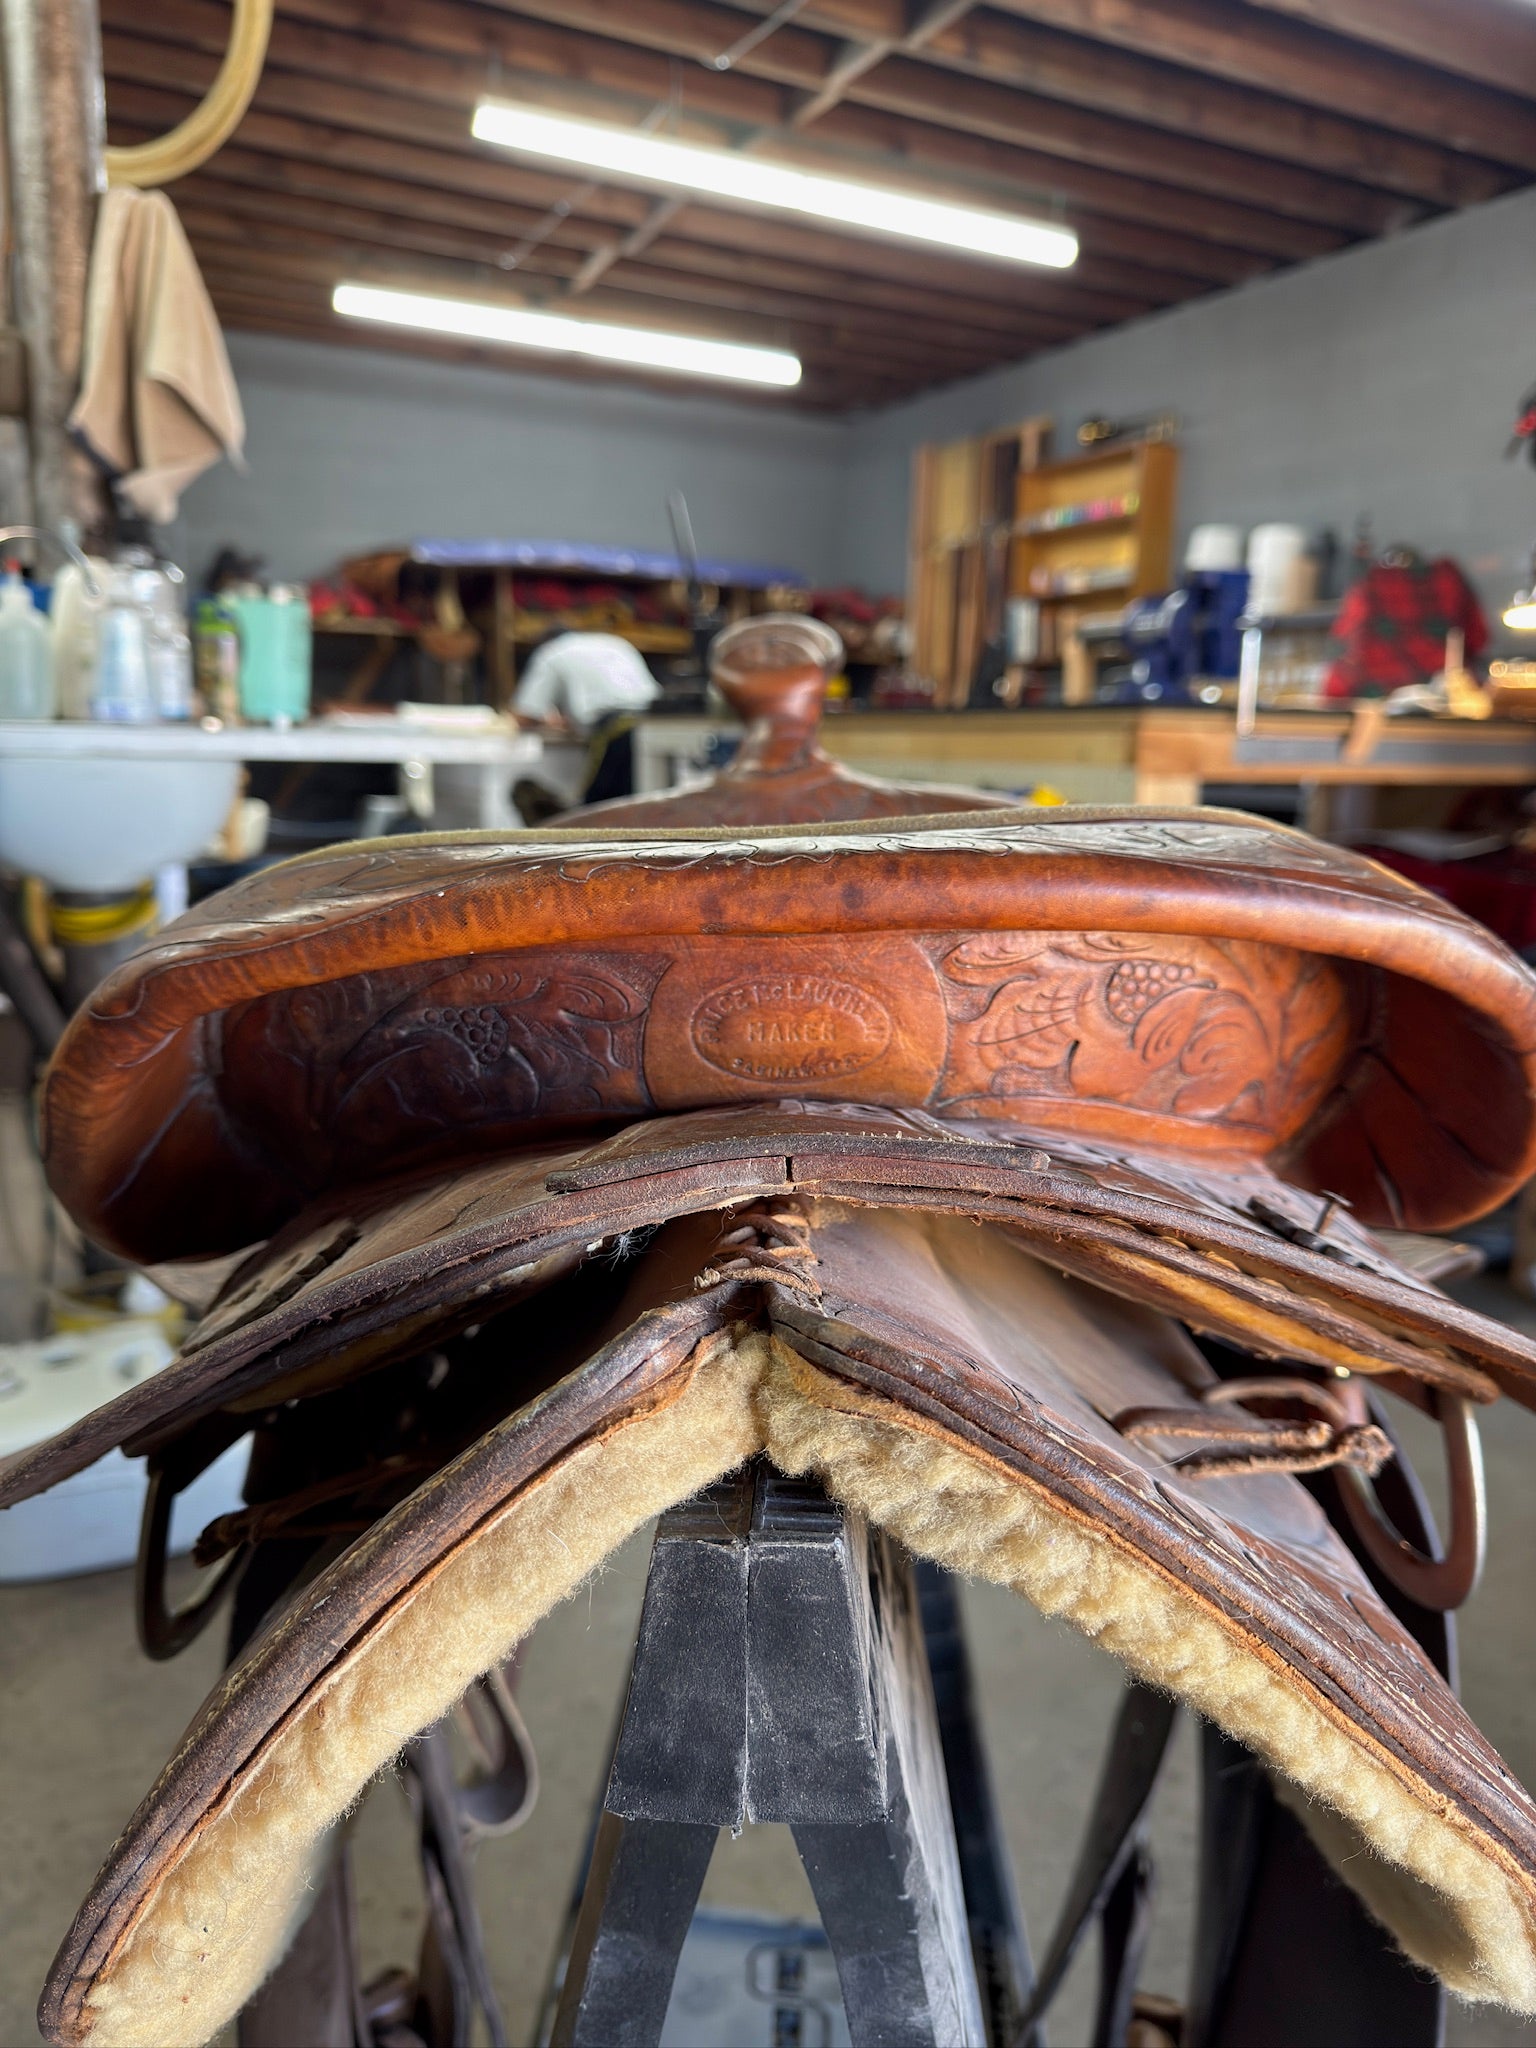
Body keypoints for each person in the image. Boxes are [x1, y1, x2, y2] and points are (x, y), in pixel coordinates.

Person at [511, 629, 660, 805]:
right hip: (656, 724)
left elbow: (524, 715)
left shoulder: (552, 652)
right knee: (647, 805)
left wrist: (546, 720)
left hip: (616, 731)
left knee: (601, 810)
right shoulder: (614, 642)